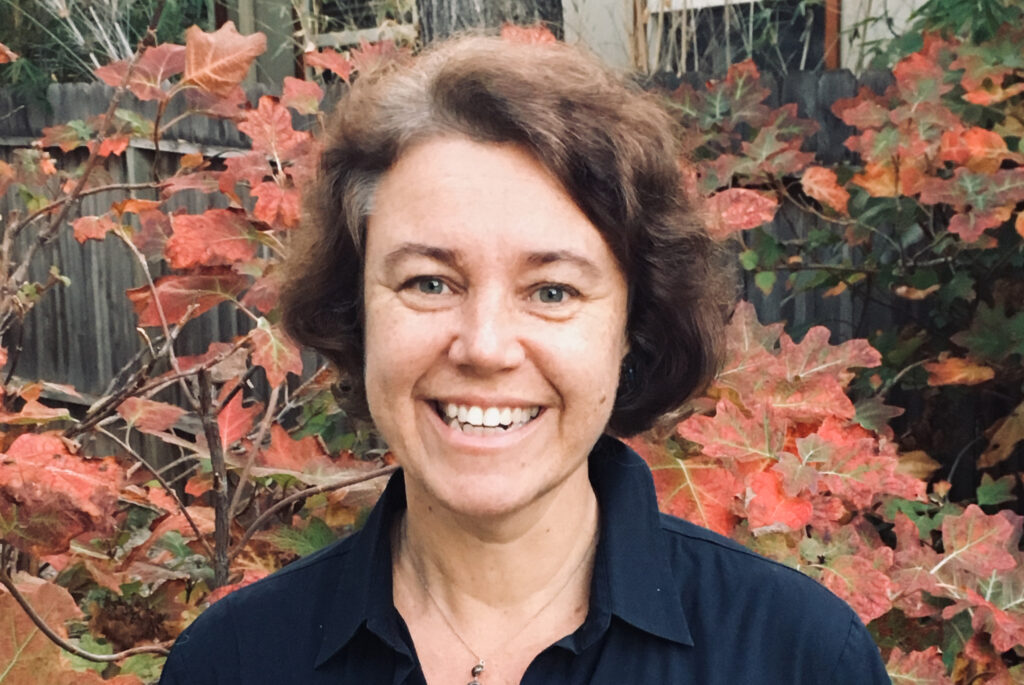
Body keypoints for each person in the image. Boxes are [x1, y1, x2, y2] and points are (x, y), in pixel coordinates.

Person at [159, 34, 891, 684]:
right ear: (357, 311)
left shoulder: (796, 656)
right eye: (429, 282)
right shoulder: (233, 661)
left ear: (633, 325)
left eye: (551, 290)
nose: (484, 345)